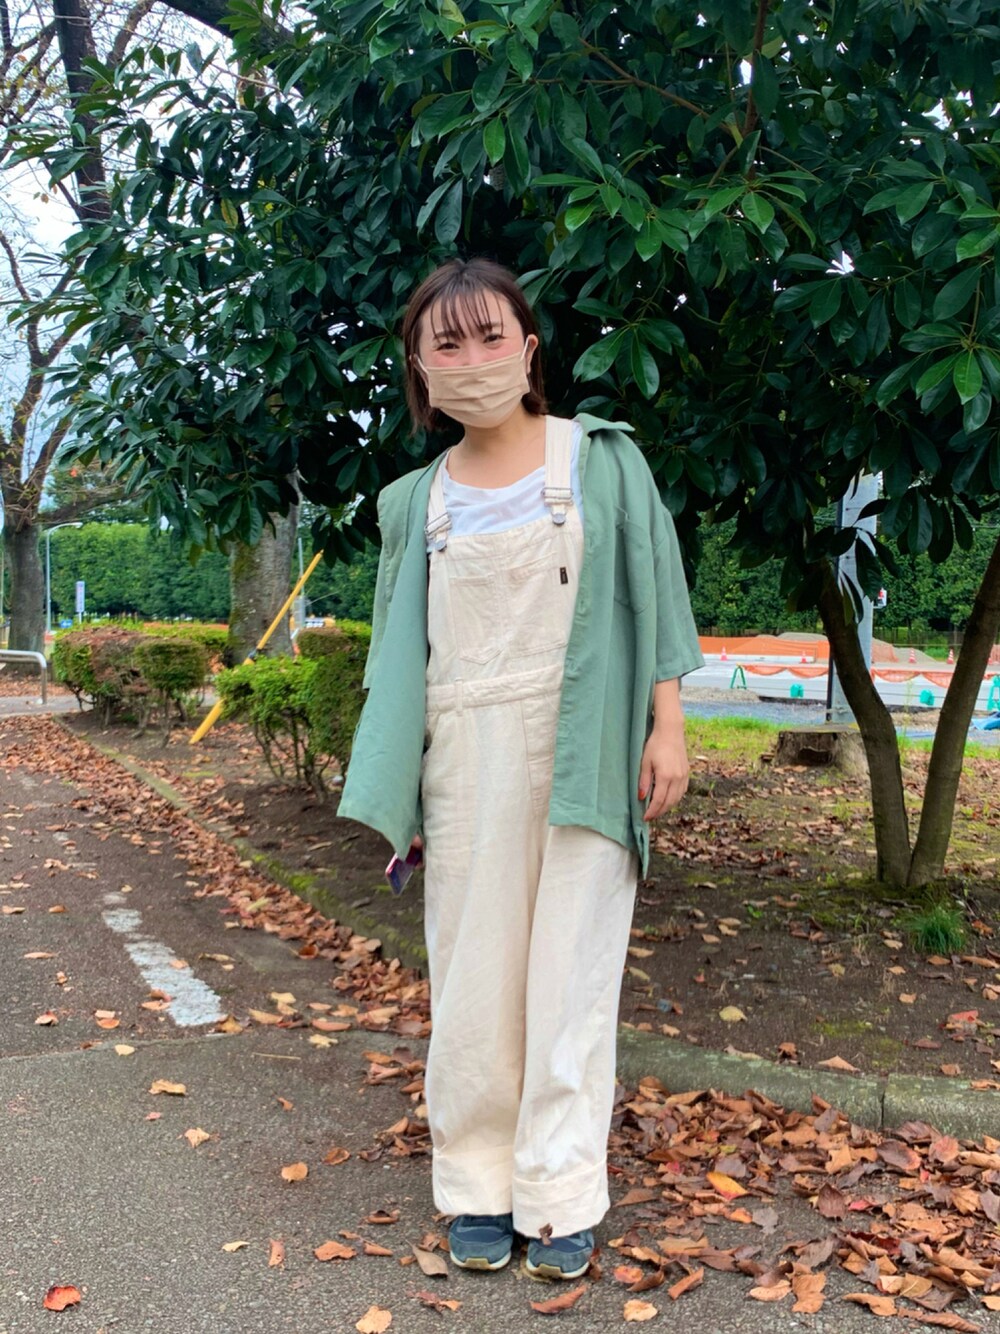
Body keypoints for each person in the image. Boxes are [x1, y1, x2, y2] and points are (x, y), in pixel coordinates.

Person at [338, 257, 704, 1280]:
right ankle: (476, 1186)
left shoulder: (601, 460)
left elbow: (657, 589)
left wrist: (667, 726)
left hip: (587, 740)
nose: (474, 358)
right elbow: (395, 657)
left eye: (491, 335)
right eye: (447, 343)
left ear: (529, 347)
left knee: (572, 978)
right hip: (463, 755)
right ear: (420, 367)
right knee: (472, 979)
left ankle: (561, 1193)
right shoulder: (412, 501)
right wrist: (401, 785)